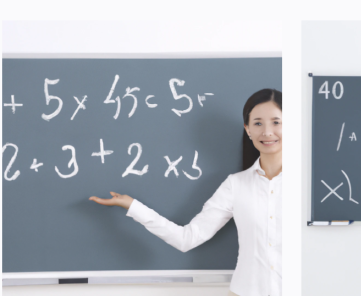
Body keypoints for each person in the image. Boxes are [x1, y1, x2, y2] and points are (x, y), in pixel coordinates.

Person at [91, 89, 283, 296]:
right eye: (258, 123)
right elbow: (187, 238)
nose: (267, 132)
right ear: (247, 129)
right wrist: (133, 206)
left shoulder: (304, 186)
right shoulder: (235, 185)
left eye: (276, 122)